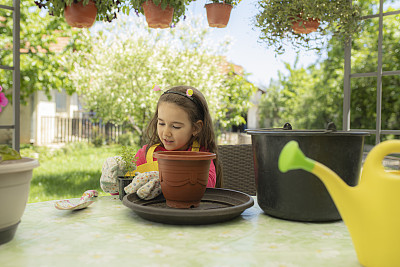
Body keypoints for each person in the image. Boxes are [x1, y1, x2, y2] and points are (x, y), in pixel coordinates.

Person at [134, 85, 221, 189]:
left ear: (196, 128)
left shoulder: (201, 156)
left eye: (176, 126)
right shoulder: (146, 154)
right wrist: (115, 179)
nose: (166, 133)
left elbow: (208, 185)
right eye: (161, 123)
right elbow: (121, 190)